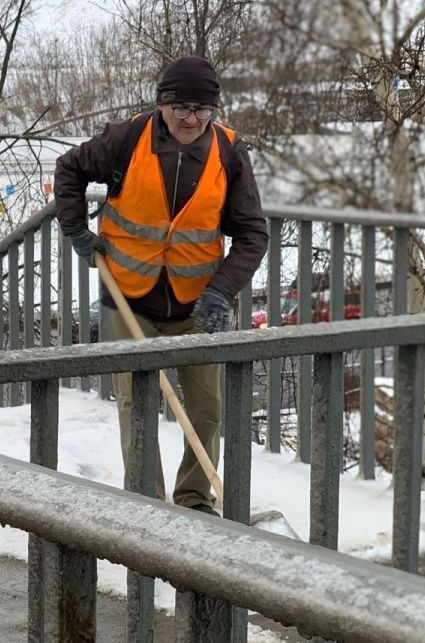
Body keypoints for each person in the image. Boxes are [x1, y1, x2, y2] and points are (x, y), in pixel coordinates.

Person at [53, 56, 267, 515]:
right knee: (138, 406)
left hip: (197, 305)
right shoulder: (126, 138)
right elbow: (68, 169)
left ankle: (194, 498)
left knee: (206, 409)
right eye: (182, 108)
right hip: (127, 295)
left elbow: (253, 234)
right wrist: (76, 232)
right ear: (162, 105)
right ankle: (148, 506)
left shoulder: (229, 152)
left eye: (203, 110)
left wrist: (220, 292)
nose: (192, 119)